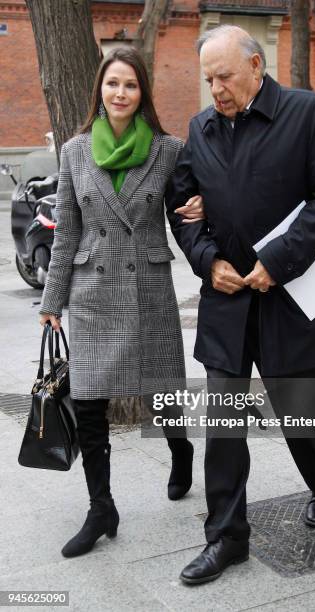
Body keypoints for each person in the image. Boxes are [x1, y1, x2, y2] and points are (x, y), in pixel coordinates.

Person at [165, 25, 315, 584]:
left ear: (254, 65)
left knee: (302, 407)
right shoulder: (199, 129)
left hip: (288, 295)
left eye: (223, 77)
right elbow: (181, 206)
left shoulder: (306, 110)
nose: (215, 89)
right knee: (223, 420)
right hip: (226, 300)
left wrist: (278, 259)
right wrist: (206, 260)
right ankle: (226, 537)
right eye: (208, 80)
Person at [39, 47, 204, 559]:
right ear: (100, 91)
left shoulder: (169, 149)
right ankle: (101, 507)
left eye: (130, 85)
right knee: (89, 404)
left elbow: (188, 208)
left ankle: (180, 449)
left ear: (142, 93)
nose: (120, 93)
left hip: (147, 285)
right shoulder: (74, 151)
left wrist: (204, 205)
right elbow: (67, 231)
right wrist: (52, 299)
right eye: (113, 84)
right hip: (92, 292)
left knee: (162, 391)